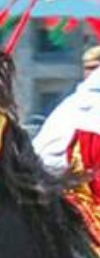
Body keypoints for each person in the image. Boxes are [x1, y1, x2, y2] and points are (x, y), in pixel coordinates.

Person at [36, 43, 100, 174]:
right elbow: (42, 156)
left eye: (95, 68)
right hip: (68, 178)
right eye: (89, 68)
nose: (92, 73)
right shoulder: (76, 104)